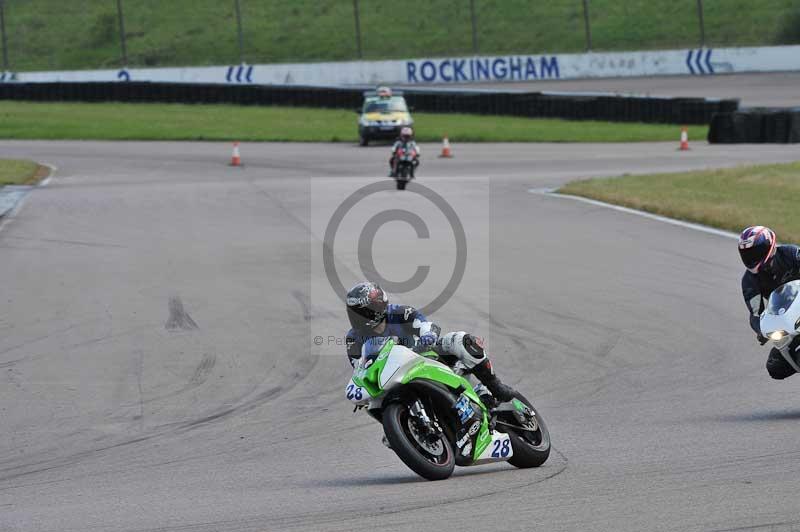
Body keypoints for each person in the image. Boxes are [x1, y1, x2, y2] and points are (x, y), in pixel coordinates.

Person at [345, 281, 516, 404]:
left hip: (423, 358)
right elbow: (360, 369)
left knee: (460, 340)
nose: (356, 317)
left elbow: (426, 326)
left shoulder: (401, 313)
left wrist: (427, 336)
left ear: (376, 308)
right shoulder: (353, 338)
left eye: (361, 312)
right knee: (375, 410)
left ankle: (495, 386)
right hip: (391, 379)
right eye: (353, 312)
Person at [739, 226, 800, 379]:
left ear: (768, 247)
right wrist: (761, 330)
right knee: (775, 367)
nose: (751, 257)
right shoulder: (749, 281)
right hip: (788, 322)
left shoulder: (790, 254)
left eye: (755, 252)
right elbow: (755, 313)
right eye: (747, 254)